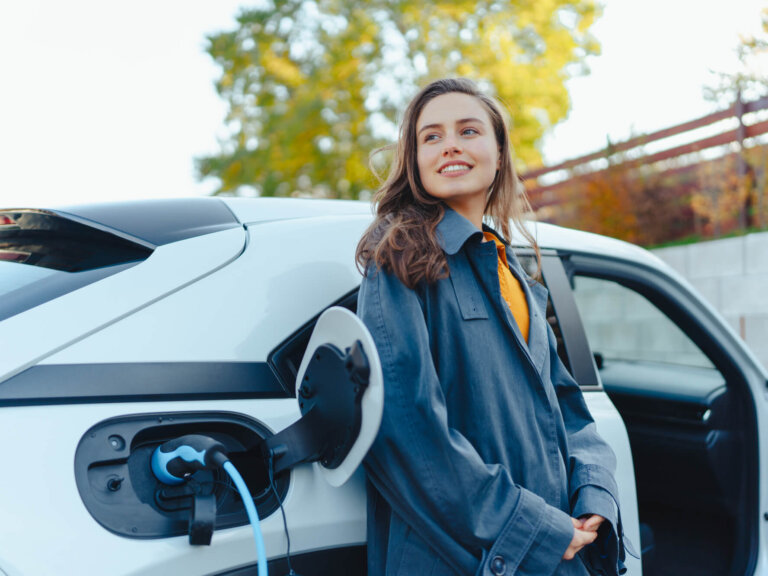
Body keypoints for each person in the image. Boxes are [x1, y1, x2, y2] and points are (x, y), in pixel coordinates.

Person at [355, 77, 632, 576]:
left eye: (468, 130)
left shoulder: (514, 275)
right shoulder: (398, 257)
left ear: (499, 154)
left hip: (556, 548)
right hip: (466, 555)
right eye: (431, 136)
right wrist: (533, 526)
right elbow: (407, 429)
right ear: (415, 160)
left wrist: (593, 493)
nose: (451, 145)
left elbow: (566, 405)